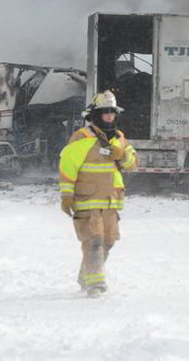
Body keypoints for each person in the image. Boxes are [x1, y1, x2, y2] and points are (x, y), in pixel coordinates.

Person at [58, 90, 138, 297]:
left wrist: (122, 154)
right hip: (87, 201)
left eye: (112, 112)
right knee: (94, 241)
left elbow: (133, 165)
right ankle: (95, 284)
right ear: (95, 115)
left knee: (108, 242)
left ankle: (86, 274)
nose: (110, 116)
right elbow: (67, 168)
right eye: (105, 112)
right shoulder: (82, 138)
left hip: (111, 203)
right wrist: (66, 196)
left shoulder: (119, 138)